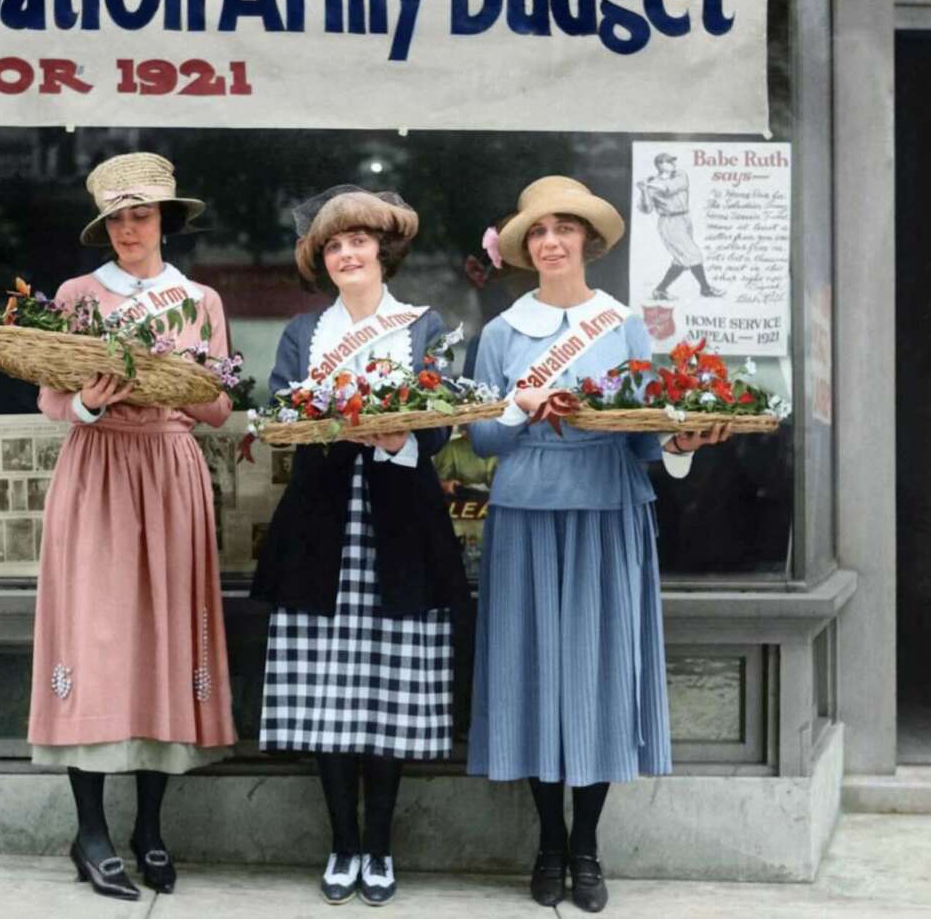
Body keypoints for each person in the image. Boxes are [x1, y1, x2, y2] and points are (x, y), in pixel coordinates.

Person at [467, 176, 729, 913]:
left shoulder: (622, 325)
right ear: (526, 247)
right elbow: (483, 438)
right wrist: (520, 407)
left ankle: (587, 847)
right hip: (525, 517)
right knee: (533, 675)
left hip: (608, 511)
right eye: (540, 231)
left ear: (587, 241)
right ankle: (548, 841)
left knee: (598, 676)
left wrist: (681, 440)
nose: (553, 241)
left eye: (565, 228)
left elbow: (645, 436)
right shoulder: (500, 333)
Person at [26, 152, 237, 901]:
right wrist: (87, 399)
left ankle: (150, 826)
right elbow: (52, 400)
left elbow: (218, 406)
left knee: (161, 640)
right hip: (100, 471)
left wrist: (192, 382)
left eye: (140, 214)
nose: (128, 229)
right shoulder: (79, 295)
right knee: (95, 638)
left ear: (166, 220)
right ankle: (90, 830)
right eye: (116, 218)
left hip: (170, 471)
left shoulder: (200, 300)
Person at [251, 186, 469, 907]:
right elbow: (281, 412)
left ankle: (380, 846)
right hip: (320, 522)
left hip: (400, 523)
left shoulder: (423, 325)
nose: (348, 254)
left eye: (359, 242)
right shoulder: (301, 332)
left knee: (388, 691)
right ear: (323, 259)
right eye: (334, 245)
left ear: (383, 250)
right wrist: (323, 422)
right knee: (327, 694)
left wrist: (402, 436)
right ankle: (341, 844)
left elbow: (441, 422)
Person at [636, 152, 725, 300]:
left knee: (682, 259)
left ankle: (660, 290)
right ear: (659, 165)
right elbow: (646, 209)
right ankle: (705, 288)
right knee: (693, 255)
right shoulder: (651, 185)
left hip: (684, 218)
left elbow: (670, 188)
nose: (672, 164)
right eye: (668, 162)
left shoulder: (680, 175)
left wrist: (648, 184)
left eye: (672, 161)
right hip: (669, 222)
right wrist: (644, 191)